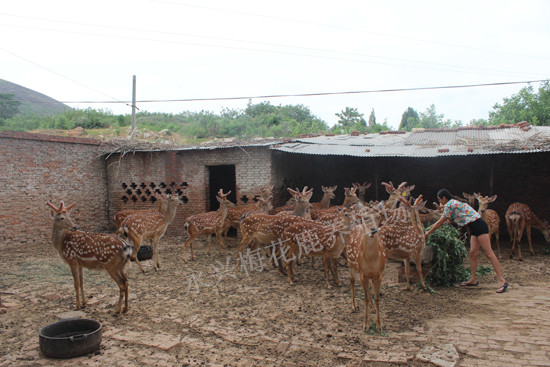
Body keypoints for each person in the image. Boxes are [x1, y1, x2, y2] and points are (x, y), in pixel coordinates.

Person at [425, 189, 508, 293]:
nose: (440, 202)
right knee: (473, 253)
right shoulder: (451, 204)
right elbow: (441, 220)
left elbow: (441, 222)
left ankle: (502, 280)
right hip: (473, 227)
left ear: (444, 198)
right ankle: (473, 279)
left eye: (439, 200)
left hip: (480, 226)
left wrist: (428, 233)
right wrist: (427, 230)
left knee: (488, 253)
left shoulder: (450, 204)